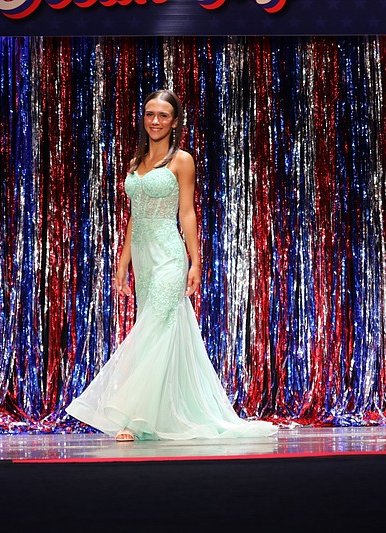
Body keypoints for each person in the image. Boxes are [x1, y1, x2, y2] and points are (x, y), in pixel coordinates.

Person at [65, 89, 276, 441]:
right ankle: (157, 415)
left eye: (163, 115)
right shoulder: (136, 163)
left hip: (169, 256)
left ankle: (131, 417)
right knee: (155, 333)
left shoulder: (182, 160)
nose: (155, 121)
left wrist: (196, 262)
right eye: (150, 114)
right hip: (144, 260)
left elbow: (187, 212)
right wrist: (122, 263)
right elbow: (135, 217)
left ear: (174, 121)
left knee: (155, 328)